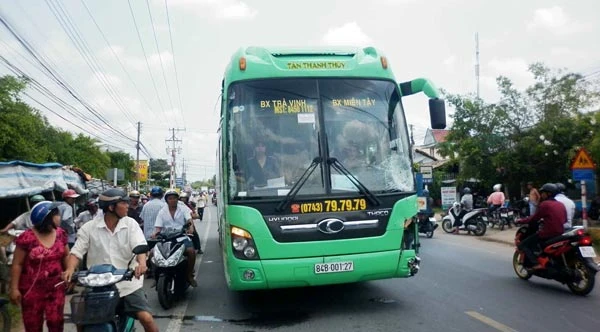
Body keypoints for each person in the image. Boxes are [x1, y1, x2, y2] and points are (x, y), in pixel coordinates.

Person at [63, 188, 158, 332]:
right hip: (97, 287)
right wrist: (70, 269)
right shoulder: (89, 228)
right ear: (111, 207)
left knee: (147, 319)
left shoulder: (131, 224)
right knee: (81, 321)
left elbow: (140, 247)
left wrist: (142, 265)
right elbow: (76, 252)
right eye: (123, 203)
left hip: (128, 285)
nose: (127, 206)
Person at [10, 201, 69, 332]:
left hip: (56, 287)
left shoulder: (61, 234)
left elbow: (66, 256)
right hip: (31, 290)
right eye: (57, 214)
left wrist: (69, 272)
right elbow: (17, 264)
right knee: (33, 324)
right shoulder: (27, 237)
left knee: (56, 322)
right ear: (47, 218)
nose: (60, 217)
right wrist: (14, 288)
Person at [151, 190, 198, 287]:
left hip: (181, 236)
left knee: (191, 251)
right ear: (167, 200)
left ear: (177, 199)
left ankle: (189, 276)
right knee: (152, 253)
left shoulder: (183, 209)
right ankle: (156, 277)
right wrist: (155, 233)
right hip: (166, 238)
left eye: (175, 198)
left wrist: (191, 228)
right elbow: (158, 227)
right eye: (170, 198)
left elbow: (189, 219)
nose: (173, 200)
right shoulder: (162, 211)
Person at [516, 183, 566, 270]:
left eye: (543, 192)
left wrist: (520, 221)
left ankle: (536, 263)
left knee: (523, 245)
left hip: (547, 234)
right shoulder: (560, 204)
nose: (541, 195)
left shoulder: (545, 204)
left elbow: (534, 218)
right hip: (560, 233)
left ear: (548, 193)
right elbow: (564, 219)